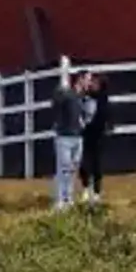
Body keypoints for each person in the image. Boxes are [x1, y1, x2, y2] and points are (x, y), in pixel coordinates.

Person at [51, 72, 88, 212]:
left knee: (71, 169)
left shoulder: (80, 98)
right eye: (87, 80)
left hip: (77, 137)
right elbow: (55, 104)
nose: (88, 83)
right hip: (65, 137)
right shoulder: (67, 95)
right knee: (64, 169)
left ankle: (67, 199)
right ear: (80, 79)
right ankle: (60, 200)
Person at [79, 72, 111, 203]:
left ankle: (96, 192)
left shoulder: (103, 100)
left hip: (97, 135)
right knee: (84, 163)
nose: (92, 84)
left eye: (96, 83)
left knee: (96, 164)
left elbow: (105, 116)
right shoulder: (86, 97)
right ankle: (86, 189)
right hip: (87, 134)